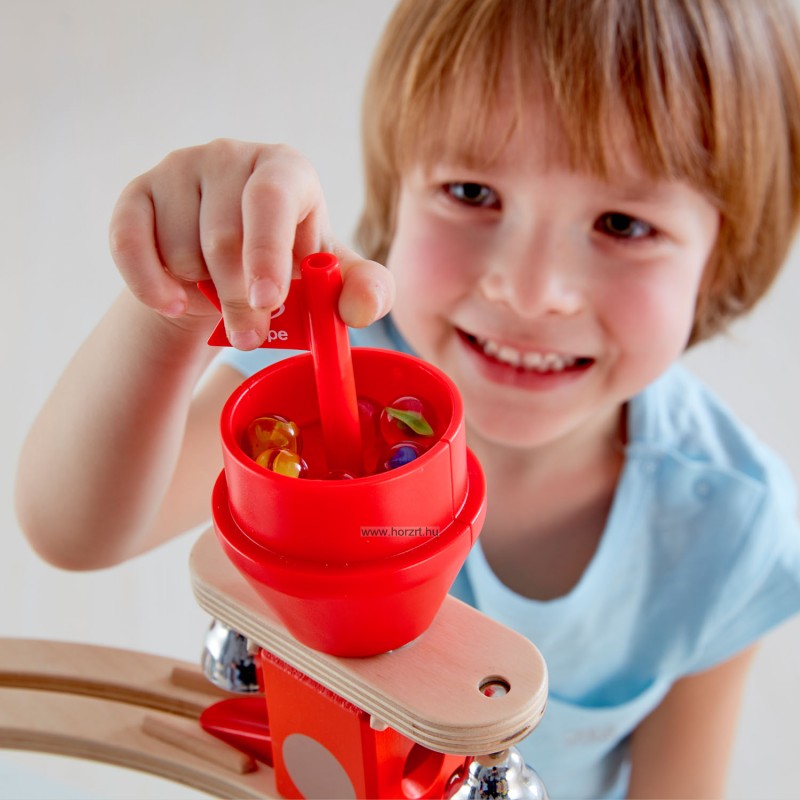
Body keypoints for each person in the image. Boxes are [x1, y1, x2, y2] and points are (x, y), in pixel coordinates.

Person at [15, 0, 800, 797]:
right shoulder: (329, 374)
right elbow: (76, 529)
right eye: (472, 190)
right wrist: (175, 299)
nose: (528, 290)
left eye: (624, 225)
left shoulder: (731, 526)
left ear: (721, 261)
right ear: (396, 198)